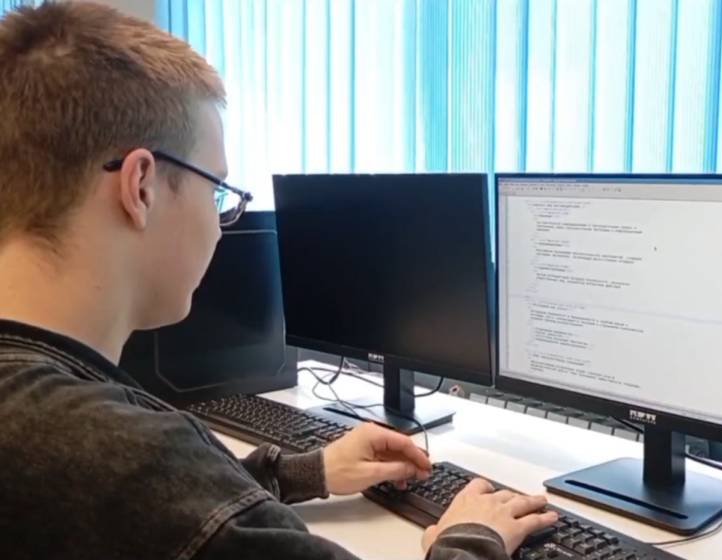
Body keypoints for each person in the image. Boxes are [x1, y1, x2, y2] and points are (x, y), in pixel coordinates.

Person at [0, 3, 557, 559]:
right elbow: (149, 495)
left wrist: (306, 472)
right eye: (216, 190)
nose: (219, 224)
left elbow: (168, 516)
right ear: (141, 186)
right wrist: (470, 537)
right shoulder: (120, 454)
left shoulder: (49, 422)